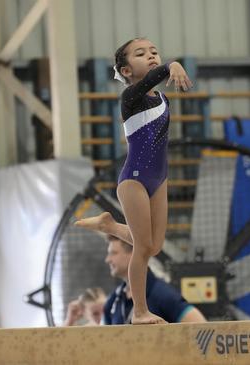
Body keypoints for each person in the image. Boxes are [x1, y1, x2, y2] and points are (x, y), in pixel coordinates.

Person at [81, 37, 192, 325]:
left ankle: (109, 226)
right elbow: (156, 76)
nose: (151, 56)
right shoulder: (130, 97)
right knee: (142, 249)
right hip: (134, 180)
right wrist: (171, 65)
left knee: (154, 246)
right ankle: (140, 311)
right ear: (126, 70)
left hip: (159, 178)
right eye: (141, 54)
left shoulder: (161, 98)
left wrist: (167, 67)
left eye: (155, 51)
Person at [101, 234, 206, 324]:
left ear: (134, 254)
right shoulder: (114, 300)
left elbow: (201, 326)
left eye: (113, 253)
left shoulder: (163, 295)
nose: (107, 260)